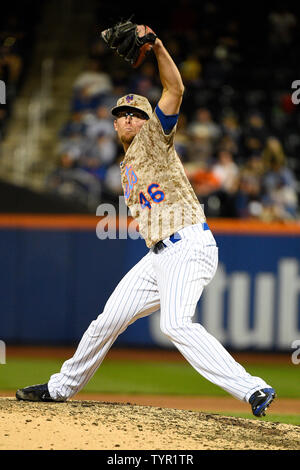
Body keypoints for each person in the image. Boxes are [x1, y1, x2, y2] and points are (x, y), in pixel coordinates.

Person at [16, 29, 276, 417]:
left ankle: (254, 388)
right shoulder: (126, 164)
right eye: (121, 114)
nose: (127, 118)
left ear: (147, 121)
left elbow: (175, 89)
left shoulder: (154, 138)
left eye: (136, 114)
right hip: (158, 255)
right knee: (108, 320)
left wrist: (156, 47)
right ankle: (60, 388)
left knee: (174, 324)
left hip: (187, 245)